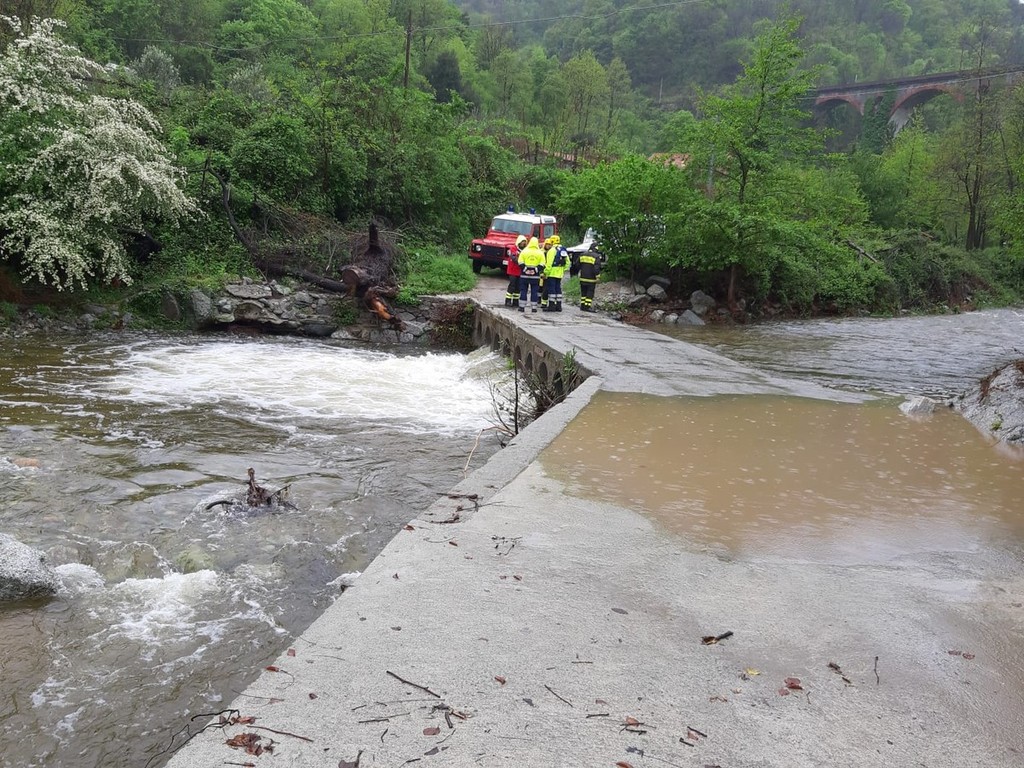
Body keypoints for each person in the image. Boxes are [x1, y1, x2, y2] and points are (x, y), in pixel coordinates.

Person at [517, 236, 545, 313]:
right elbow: (542, 263)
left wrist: (526, 270)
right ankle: (534, 308)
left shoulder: (524, 251)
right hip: (535, 276)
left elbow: (520, 262)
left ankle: (522, 307)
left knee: (523, 291)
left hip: (524, 275)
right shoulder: (540, 252)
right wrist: (535, 270)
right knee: (534, 292)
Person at [571, 242, 602, 312]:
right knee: (590, 293)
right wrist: (597, 277)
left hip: (582, 278)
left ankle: (582, 306)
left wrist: (582, 270)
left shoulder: (582, 255)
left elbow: (577, 265)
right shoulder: (596, 256)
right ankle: (587, 306)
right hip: (591, 279)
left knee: (583, 293)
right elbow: (596, 268)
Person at [542, 235, 568, 312]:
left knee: (551, 289)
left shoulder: (552, 250)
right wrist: (562, 269)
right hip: (560, 273)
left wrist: (545, 272)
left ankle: (551, 306)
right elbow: (568, 263)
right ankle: (559, 306)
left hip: (552, 273)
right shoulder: (563, 249)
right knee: (558, 289)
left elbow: (549, 264)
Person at [505, 235, 526, 307]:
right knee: (512, 285)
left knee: (518, 287)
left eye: (524, 242)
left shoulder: (525, 250)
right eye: (522, 242)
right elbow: (514, 258)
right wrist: (522, 262)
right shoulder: (513, 248)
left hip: (520, 271)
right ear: (519, 242)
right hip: (512, 270)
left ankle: (515, 301)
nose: (523, 243)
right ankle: (508, 300)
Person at [539, 236, 553, 310]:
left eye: (550, 244)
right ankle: (538, 299)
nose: (548, 246)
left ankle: (543, 301)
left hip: (547, 271)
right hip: (541, 270)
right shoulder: (541, 252)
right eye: (547, 244)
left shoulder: (552, 252)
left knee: (545, 287)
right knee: (539, 286)